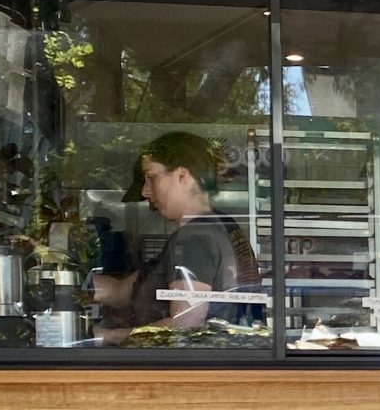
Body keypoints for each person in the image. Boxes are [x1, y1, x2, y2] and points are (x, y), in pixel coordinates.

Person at [93, 130, 258, 340]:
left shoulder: (194, 238)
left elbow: (185, 325)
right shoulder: (222, 226)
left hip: (194, 368)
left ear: (183, 176)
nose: (145, 192)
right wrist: (68, 281)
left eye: (151, 178)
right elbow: (120, 292)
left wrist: (107, 337)